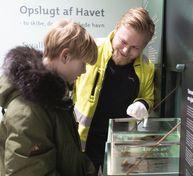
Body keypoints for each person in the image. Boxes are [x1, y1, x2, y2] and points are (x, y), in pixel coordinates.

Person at [0, 19, 98, 176]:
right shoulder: (28, 111)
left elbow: (66, 154)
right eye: (83, 63)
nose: (84, 71)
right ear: (65, 56)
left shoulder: (53, 99)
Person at [73, 7, 155, 173]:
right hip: (82, 141)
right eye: (123, 42)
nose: (126, 51)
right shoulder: (91, 50)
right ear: (116, 28)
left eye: (135, 47)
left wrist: (142, 104)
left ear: (144, 47)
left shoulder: (146, 67)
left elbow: (148, 97)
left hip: (120, 145)